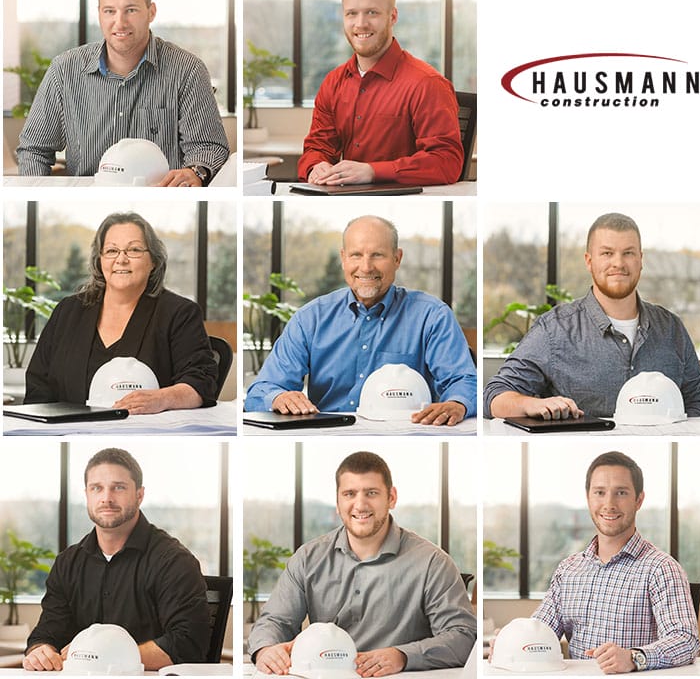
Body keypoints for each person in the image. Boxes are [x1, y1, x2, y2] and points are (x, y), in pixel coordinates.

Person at [249, 451, 475, 675]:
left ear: (391, 497)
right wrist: (266, 650)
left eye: (371, 493)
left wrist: (402, 656)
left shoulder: (433, 563)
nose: (360, 504)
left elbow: (463, 636)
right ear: (337, 502)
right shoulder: (308, 558)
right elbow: (274, 621)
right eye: (349, 494)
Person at [243, 215, 476, 423]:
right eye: (356, 255)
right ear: (343, 258)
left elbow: (464, 381)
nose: (366, 267)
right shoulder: (310, 319)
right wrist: (279, 397)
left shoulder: (432, 316)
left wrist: (457, 403)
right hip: (327, 435)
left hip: (407, 433)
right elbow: (260, 391)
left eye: (377, 255)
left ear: (397, 258)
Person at [483, 212, 700, 420]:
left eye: (628, 253)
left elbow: (699, 403)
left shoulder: (671, 328)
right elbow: (494, 396)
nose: (618, 263)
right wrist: (531, 404)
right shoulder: (554, 330)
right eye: (607, 253)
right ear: (589, 261)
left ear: (641, 259)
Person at [17, 0, 229, 185]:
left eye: (131, 10)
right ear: (99, 13)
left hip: (161, 195)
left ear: (151, 12)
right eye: (109, 11)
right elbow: (34, 149)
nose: (120, 22)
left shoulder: (187, 70)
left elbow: (208, 147)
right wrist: (36, 190)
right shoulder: (64, 70)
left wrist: (196, 172)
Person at [23, 448, 209, 672]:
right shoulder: (68, 562)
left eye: (118, 488)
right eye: (97, 488)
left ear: (139, 495)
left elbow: (187, 644)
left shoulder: (174, 561)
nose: (106, 498)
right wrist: (40, 651)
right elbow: (47, 634)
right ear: (87, 495)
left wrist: (101, 656)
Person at [23, 212, 219, 411]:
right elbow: (38, 386)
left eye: (134, 250)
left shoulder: (180, 313)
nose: (121, 259)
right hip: (67, 430)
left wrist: (162, 398)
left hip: (146, 430)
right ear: (99, 260)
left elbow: (201, 382)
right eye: (111, 251)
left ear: (153, 261)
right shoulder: (67, 311)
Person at [532, 451, 700, 670]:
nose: (609, 504)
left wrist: (633, 658)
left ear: (638, 500)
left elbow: (686, 639)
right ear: (588, 498)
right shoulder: (568, 570)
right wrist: (513, 640)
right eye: (600, 493)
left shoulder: (662, 568)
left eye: (621, 493)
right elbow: (539, 632)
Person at [296, 0, 464, 186]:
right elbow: (317, 147)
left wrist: (373, 171)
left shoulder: (427, 84)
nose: (361, 24)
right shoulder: (333, 82)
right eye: (352, 13)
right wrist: (316, 166)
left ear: (392, 16)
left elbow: (446, 162)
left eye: (372, 13)